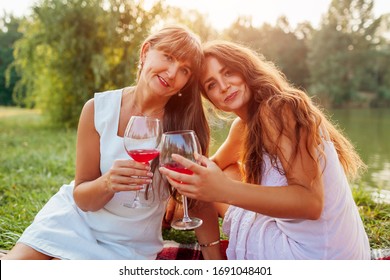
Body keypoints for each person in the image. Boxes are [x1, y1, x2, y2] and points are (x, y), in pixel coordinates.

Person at [1, 25, 221, 260]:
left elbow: (198, 199)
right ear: (145, 51)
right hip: (72, 221)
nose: (172, 72)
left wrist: (215, 263)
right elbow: (82, 198)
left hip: (129, 245)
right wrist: (108, 183)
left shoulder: (184, 126)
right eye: (168, 57)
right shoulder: (97, 109)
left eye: (185, 70)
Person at [159, 40, 371, 260]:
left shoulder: (278, 109)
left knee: (207, 184)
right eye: (211, 84)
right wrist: (180, 194)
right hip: (347, 254)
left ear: (246, 68)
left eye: (229, 73)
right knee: (210, 176)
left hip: (314, 256)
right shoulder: (245, 126)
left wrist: (222, 190)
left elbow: (311, 204)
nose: (223, 86)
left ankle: (215, 262)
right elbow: (213, 165)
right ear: (211, 100)